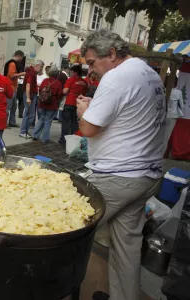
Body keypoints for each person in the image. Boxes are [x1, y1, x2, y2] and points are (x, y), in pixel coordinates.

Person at [76, 29, 166, 300]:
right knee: (126, 248)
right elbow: (128, 117)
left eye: (92, 63)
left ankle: (47, 289)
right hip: (145, 176)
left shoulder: (115, 76)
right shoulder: (148, 73)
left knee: (62, 228)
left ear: (111, 54)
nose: (91, 71)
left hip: (117, 177)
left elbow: (89, 128)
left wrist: (83, 113)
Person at [32, 65, 63, 143]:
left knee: (41, 119)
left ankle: (35, 135)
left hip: (42, 103)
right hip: (52, 105)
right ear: (57, 73)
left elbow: (40, 91)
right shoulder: (58, 83)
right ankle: (45, 139)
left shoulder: (45, 80)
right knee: (48, 121)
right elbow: (59, 95)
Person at [58, 65, 87, 144]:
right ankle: (74, 138)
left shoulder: (71, 79)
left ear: (75, 72)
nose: (70, 73)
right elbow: (84, 93)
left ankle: (63, 139)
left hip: (69, 103)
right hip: (78, 104)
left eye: (71, 72)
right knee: (74, 122)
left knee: (65, 122)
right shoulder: (84, 82)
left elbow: (65, 91)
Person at [19, 60, 44, 138]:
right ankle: (23, 131)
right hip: (30, 95)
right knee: (29, 114)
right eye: (41, 67)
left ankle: (24, 130)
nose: (41, 70)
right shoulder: (32, 73)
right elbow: (28, 85)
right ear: (37, 66)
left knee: (29, 114)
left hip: (30, 95)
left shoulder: (30, 71)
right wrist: (28, 98)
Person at [4, 50, 26, 128]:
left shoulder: (13, 63)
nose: (21, 60)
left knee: (14, 106)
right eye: (22, 58)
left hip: (13, 87)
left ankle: (12, 122)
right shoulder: (12, 64)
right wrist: (22, 74)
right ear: (19, 56)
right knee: (8, 106)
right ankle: (4, 123)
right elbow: (12, 75)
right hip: (10, 87)